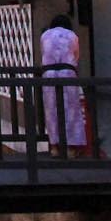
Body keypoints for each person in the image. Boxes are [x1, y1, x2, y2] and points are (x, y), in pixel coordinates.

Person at [39, 13, 89, 155]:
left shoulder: (45, 36)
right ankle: (71, 148)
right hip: (67, 73)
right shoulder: (73, 36)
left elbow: (44, 53)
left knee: (51, 110)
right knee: (71, 111)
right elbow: (75, 56)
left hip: (49, 74)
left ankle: (54, 146)